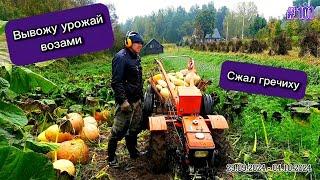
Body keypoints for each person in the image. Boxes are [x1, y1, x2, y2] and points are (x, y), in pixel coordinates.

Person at [108, 31, 144, 167]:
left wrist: (140, 98)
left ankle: (133, 152)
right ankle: (111, 158)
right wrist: (123, 101)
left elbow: (137, 80)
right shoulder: (120, 57)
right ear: (128, 43)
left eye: (141, 43)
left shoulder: (136, 57)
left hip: (136, 100)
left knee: (134, 129)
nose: (140, 45)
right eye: (137, 43)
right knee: (117, 131)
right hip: (126, 102)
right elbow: (117, 82)